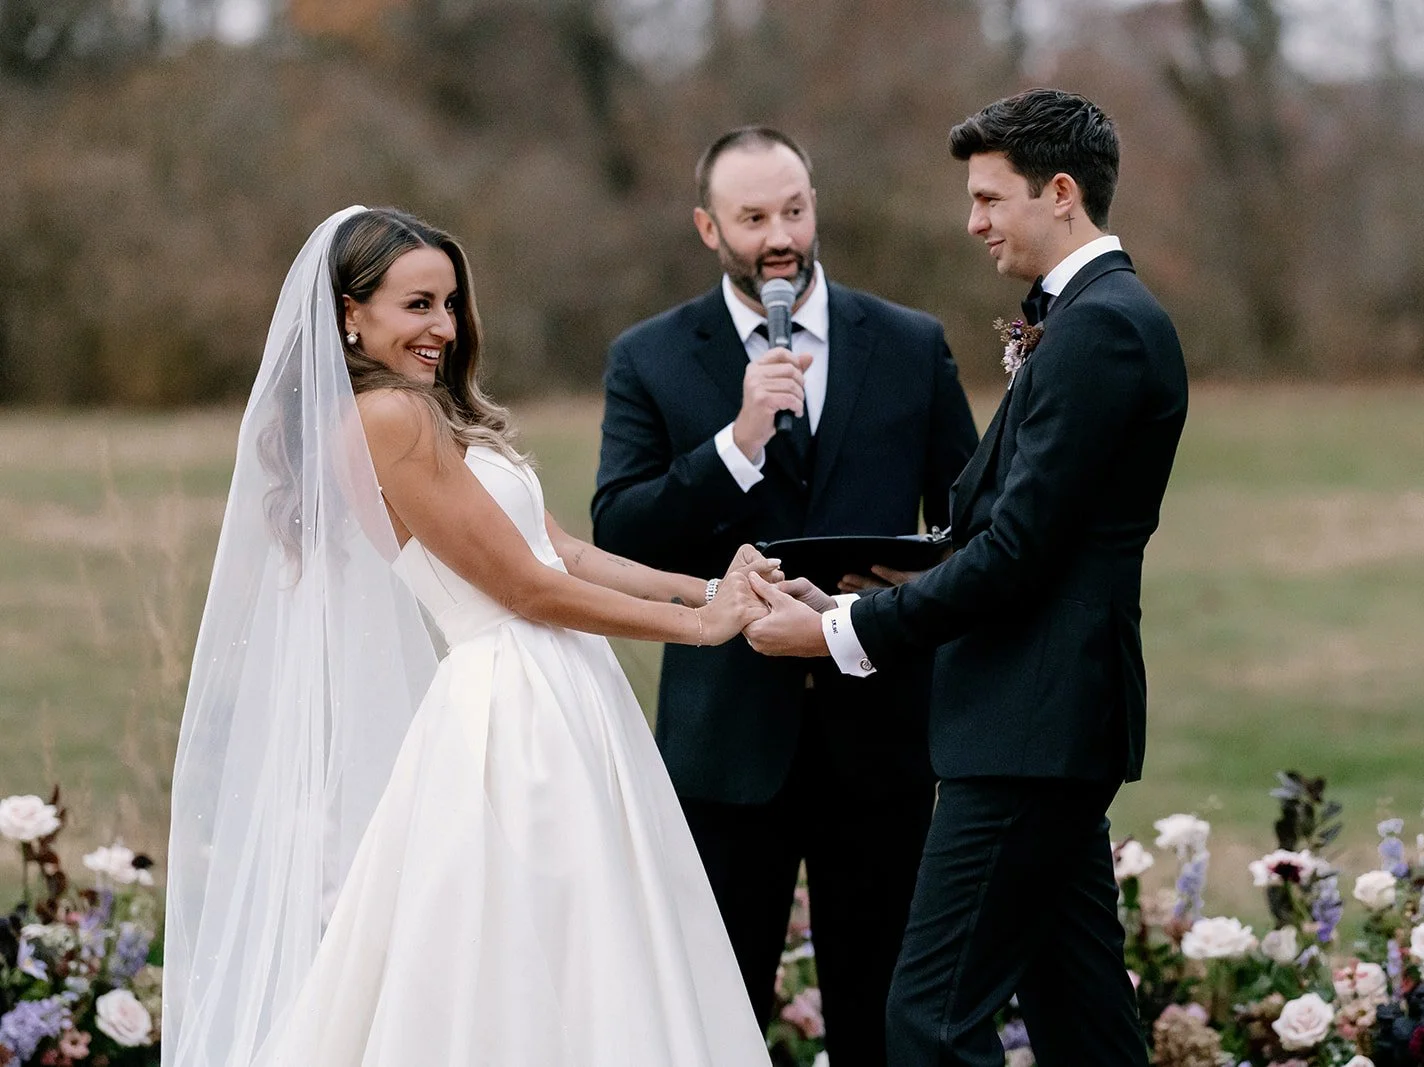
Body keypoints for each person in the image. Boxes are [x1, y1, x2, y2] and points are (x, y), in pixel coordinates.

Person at [162, 206, 775, 1067]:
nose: (443, 329)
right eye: (417, 305)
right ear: (350, 313)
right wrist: (699, 628)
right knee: (547, 937)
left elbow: (557, 549)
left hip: (556, 685)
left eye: (449, 304)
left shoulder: (427, 412)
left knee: (591, 929)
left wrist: (712, 586)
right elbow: (524, 588)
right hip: (512, 704)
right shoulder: (387, 420)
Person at [745, 89, 1188, 1067]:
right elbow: (1014, 530)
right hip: (1043, 721)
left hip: (1032, 725)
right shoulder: (1084, 320)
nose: (973, 220)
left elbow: (1019, 554)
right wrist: (858, 595)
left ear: (1059, 193)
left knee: (929, 1021)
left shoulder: (1102, 328)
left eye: (989, 197)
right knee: (1081, 1014)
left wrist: (837, 634)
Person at [590, 127, 979, 1062]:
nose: (780, 235)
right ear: (706, 226)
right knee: (710, 1013)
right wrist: (737, 444)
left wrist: (892, 578)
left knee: (881, 1012)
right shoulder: (648, 357)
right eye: (754, 216)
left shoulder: (909, 342)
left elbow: (970, 521)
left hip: (880, 733)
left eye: (794, 211)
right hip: (727, 743)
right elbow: (617, 530)